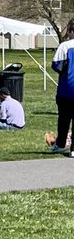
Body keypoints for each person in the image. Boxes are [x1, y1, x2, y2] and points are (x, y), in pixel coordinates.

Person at [52, 19, 74, 156]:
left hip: (67, 88)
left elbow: (56, 66)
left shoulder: (65, 46)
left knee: (64, 119)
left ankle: (60, 144)